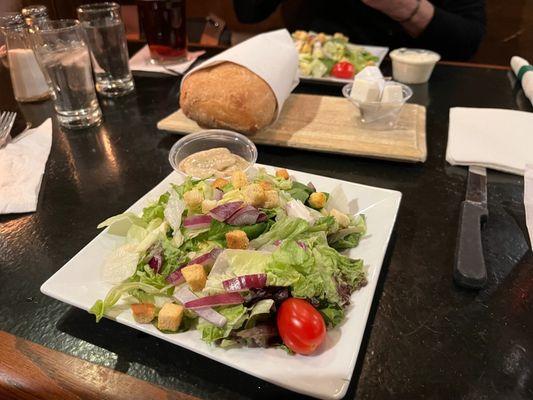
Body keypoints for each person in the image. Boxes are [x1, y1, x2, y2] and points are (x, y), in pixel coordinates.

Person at [233, 0, 486, 60]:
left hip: (410, 83)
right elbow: (248, 11)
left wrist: (406, 8)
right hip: (313, 75)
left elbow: (467, 42)